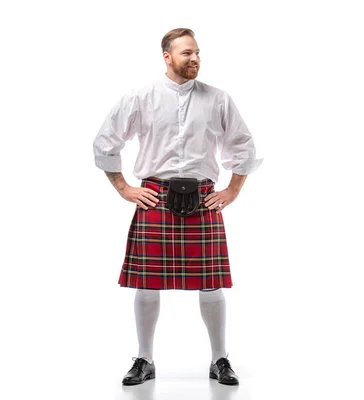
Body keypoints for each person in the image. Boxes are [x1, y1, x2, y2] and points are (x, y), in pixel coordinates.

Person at [92, 28, 262, 386]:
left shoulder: (218, 99)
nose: (194, 58)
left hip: (203, 198)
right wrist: (124, 187)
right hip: (155, 196)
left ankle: (219, 360)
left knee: (211, 284)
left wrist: (232, 189)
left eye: (197, 52)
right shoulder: (140, 97)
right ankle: (145, 359)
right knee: (147, 285)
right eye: (186, 53)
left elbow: (243, 145)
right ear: (167, 57)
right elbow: (106, 141)